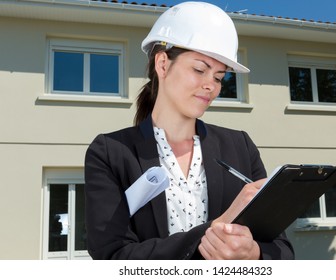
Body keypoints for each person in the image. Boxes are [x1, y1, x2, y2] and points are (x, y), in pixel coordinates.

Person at [84, 1, 294, 260]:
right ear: (162, 64)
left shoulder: (240, 147)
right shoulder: (110, 153)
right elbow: (112, 255)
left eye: (219, 77)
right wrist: (217, 228)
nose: (211, 86)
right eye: (199, 70)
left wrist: (255, 253)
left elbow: (282, 249)